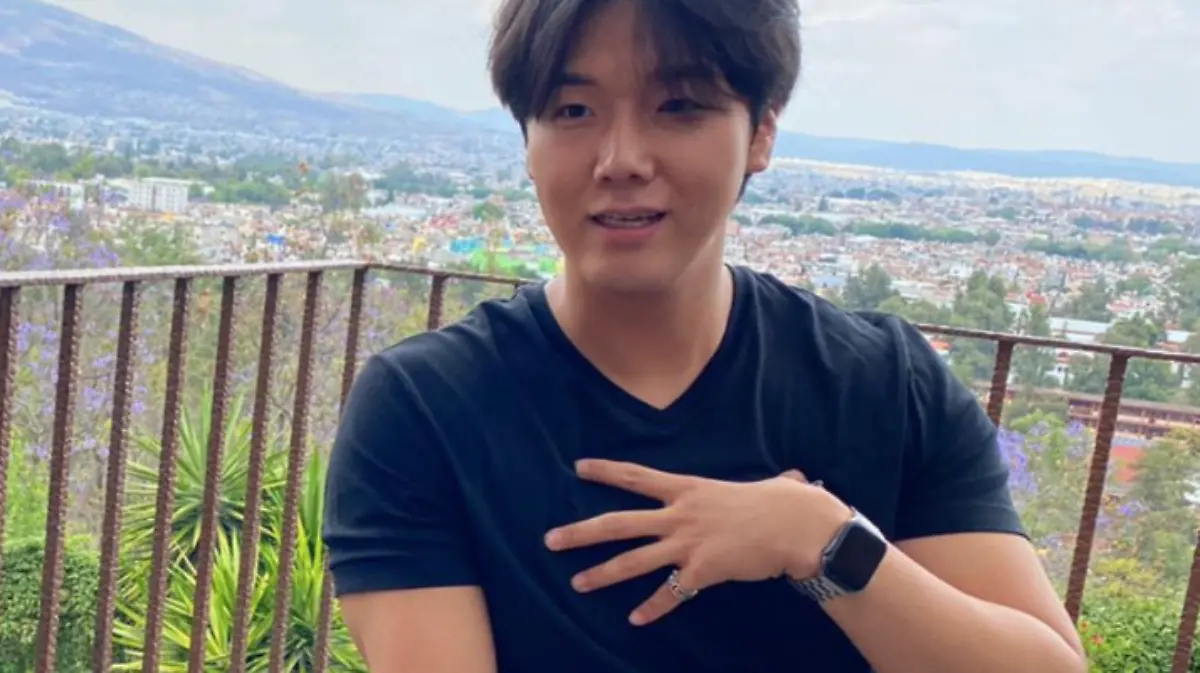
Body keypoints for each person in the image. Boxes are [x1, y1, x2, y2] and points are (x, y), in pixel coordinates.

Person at [321, 0, 1088, 671]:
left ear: (761, 133)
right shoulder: (428, 409)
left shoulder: (884, 384)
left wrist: (821, 539)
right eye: (573, 110)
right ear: (528, 141)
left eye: (680, 105)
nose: (621, 159)